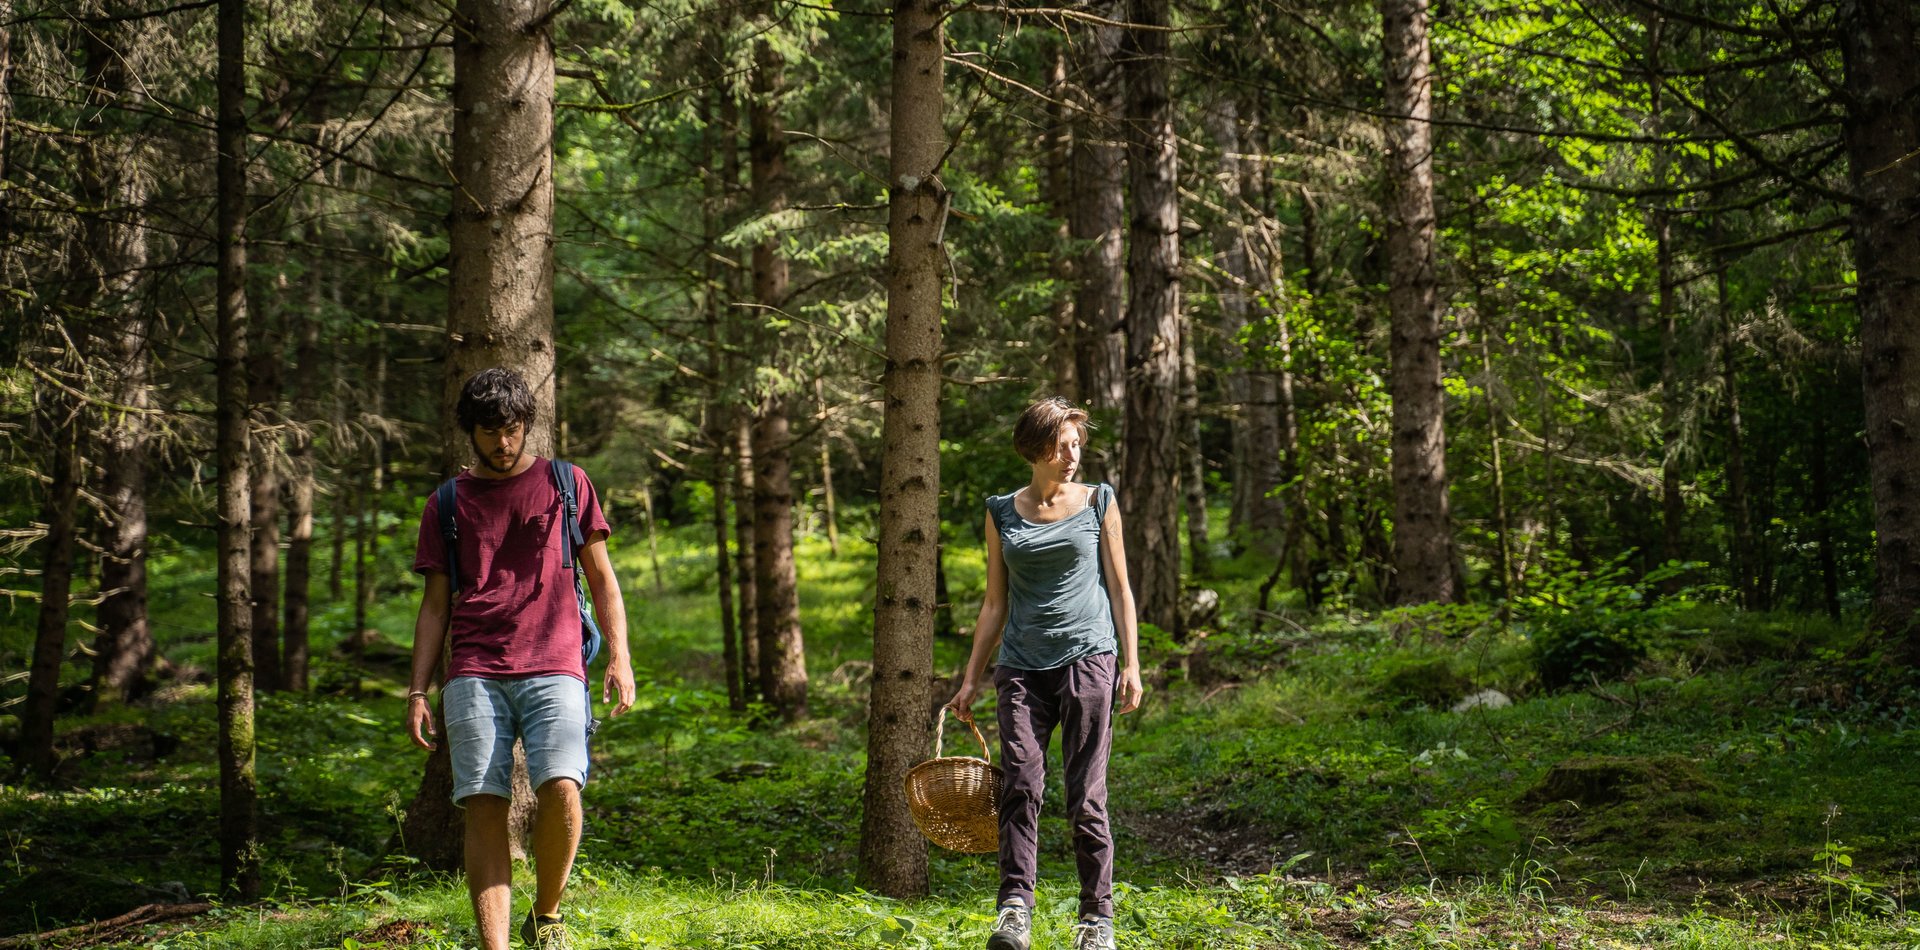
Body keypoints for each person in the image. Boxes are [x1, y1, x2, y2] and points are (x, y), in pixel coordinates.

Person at [406, 368, 637, 950]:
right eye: (490, 432)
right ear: (471, 433)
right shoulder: (447, 503)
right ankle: (496, 946)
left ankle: (548, 914)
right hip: (474, 670)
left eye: (511, 429)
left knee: (562, 784)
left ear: (527, 425)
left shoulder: (567, 483)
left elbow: (602, 579)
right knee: (484, 802)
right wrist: (416, 691)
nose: (502, 443)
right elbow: (434, 607)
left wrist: (620, 656)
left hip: (556, 662)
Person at [947, 396, 1146, 950]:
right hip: (1020, 669)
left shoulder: (1099, 501)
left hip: (1088, 658)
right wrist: (969, 678)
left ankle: (1096, 921)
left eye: (1077, 444)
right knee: (1020, 785)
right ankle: (1014, 911)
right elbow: (994, 604)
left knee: (1086, 795)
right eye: (1063, 445)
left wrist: (1131, 664)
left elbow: (1122, 588)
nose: (1073, 454)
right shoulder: (1001, 512)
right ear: (1036, 449)